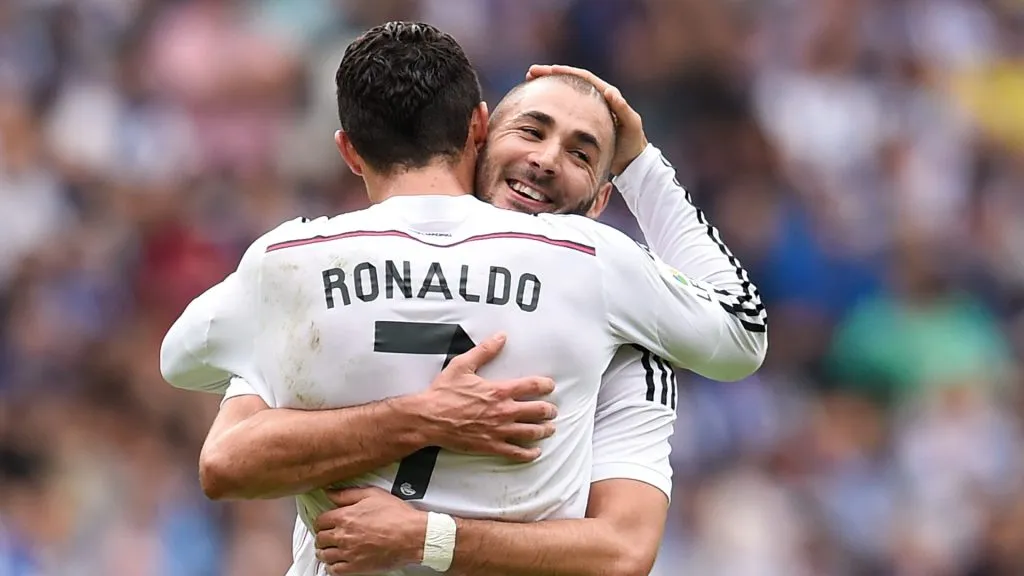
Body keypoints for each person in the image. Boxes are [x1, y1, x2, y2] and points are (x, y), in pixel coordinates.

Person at [160, 22, 766, 576]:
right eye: (530, 130)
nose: (546, 160)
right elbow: (742, 331)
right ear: (478, 132)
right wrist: (419, 415)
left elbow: (623, 551)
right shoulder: (598, 264)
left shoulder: (294, 266)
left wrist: (425, 535)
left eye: (582, 154)